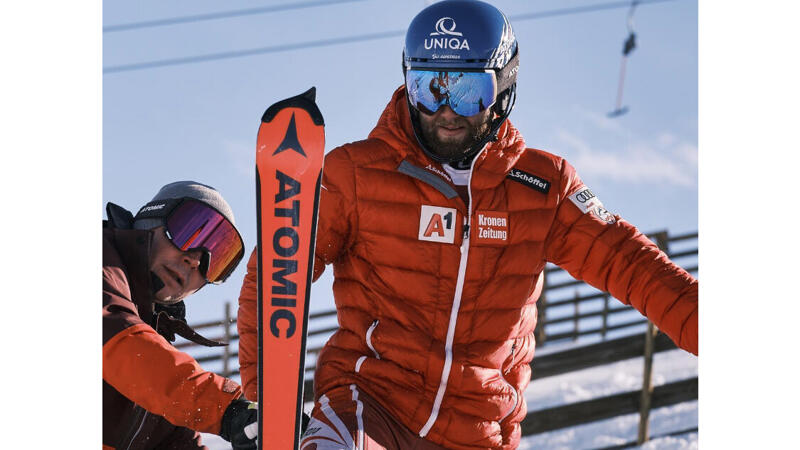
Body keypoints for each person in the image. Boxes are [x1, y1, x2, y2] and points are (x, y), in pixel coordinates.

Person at [237, 1, 698, 449]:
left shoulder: (543, 188)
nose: (446, 110)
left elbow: (635, 267)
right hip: (369, 405)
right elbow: (278, 272)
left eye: (466, 89)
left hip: (478, 430)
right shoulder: (356, 174)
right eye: (428, 87)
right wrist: (265, 400)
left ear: (503, 86)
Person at [103, 181, 259, 450]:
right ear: (149, 220)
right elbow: (120, 341)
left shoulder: (158, 378)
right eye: (190, 231)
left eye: (217, 260)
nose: (196, 261)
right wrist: (228, 409)